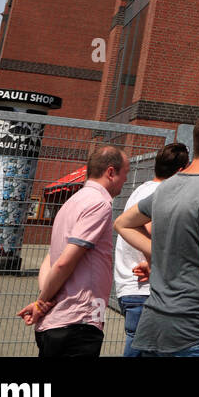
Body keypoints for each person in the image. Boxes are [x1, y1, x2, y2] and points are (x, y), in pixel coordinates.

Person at [115, 113, 199, 357]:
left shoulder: (165, 187)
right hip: (195, 330)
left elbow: (123, 223)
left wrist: (160, 252)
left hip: (154, 324)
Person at [17, 146, 129, 357]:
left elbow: (50, 259)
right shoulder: (99, 204)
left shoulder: (71, 203)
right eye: (126, 173)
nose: (126, 180)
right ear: (111, 172)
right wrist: (42, 301)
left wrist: (42, 301)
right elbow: (63, 262)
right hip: (78, 321)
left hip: (58, 322)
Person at [112, 142, 189, 357]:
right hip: (144, 290)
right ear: (181, 171)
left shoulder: (142, 189)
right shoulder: (160, 192)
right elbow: (152, 229)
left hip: (132, 287)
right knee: (140, 348)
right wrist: (155, 264)